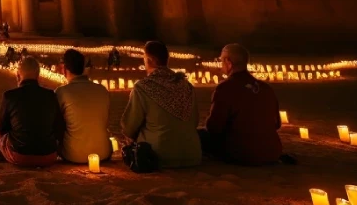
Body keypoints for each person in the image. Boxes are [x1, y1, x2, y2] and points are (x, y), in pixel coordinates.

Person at [121, 40, 200, 168]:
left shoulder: (143, 87)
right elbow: (195, 121)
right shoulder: (186, 85)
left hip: (158, 156)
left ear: (149, 60)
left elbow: (129, 126)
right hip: (192, 154)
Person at [200, 43, 283, 165]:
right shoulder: (266, 88)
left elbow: (214, 127)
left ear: (228, 62)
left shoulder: (226, 88)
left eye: (221, 60)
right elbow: (277, 124)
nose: (220, 64)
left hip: (242, 153)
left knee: (197, 135)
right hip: (271, 152)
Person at [0, 57, 61, 167]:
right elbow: (58, 126)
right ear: (38, 76)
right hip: (49, 156)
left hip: (20, 156)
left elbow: (1, 127)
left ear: (18, 75)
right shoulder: (51, 95)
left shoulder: (10, 96)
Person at [55, 48, 112, 164]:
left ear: (64, 69)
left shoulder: (62, 92)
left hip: (73, 154)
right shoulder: (102, 90)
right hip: (103, 152)